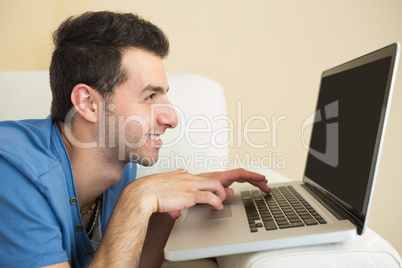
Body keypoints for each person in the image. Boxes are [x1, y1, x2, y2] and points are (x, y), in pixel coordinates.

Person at [0, 11, 270, 268]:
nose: (172, 119)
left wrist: (168, 209)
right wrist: (138, 198)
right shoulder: (12, 171)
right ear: (88, 104)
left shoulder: (119, 162)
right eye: (151, 96)